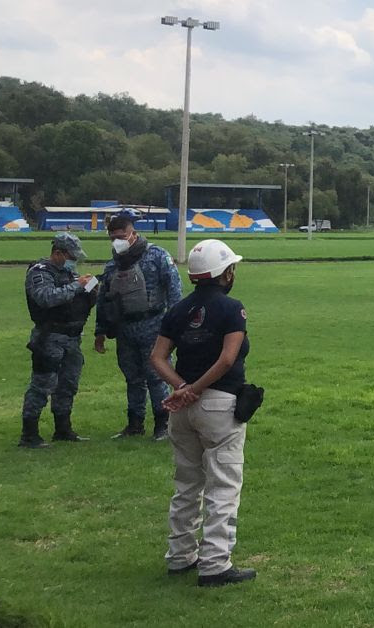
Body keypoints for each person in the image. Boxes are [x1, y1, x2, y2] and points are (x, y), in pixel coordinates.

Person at [149, 239, 256, 587]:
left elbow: (157, 358)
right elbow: (226, 360)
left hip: (183, 410)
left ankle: (180, 556)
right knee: (223, 486)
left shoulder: (178, 310)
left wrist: (182, 387)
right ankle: (215, 564)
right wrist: (194, 389)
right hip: (219, 405)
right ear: (225, 273)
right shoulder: (232, 309)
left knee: (187, 485)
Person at [94, 213, 183, 440]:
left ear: (133, 234)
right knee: (132, 377)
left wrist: (175, 326)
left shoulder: (157, 256)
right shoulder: (113, 265)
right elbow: (104, 299)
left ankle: (163, 423)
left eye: (121, 236)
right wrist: (100, 331)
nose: (117, 242)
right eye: (112, 238)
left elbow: (174, 290)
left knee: (157, 376)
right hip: (125, 328)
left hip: (154, 326)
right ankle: (134, 424)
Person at [19, 232, 100, 448]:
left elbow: (79, 301)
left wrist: (92, 290)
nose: (74, 262)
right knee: (42, 385)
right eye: (71, 257)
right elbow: (46, 297)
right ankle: (29, 434)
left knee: (68, 385)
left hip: (72, 338)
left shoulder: (69, 274)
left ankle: (63, 429)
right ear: (58, 253)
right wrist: (77, 286)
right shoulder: (40, 272)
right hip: (49, 338)